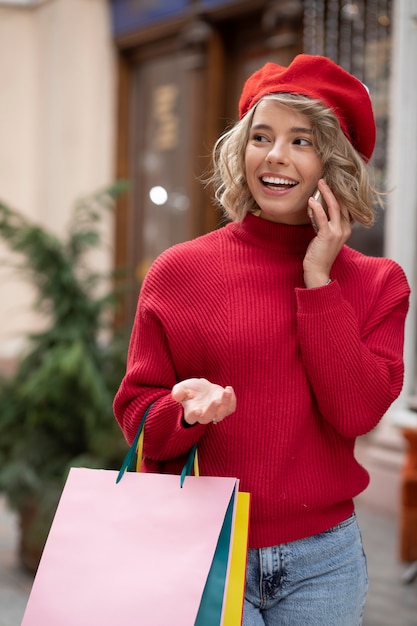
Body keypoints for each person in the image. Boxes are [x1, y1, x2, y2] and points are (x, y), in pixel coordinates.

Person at [113, 54, 410, 625]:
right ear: (240, 149)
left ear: (335, 163)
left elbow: (355, 414)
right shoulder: (180, 271)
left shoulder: (378, 283)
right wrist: (184, 412)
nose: (275, 156)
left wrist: (319, 280)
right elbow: (136, 412)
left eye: (302, 140)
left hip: (324, 561)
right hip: (203, 544)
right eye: (262, 136)